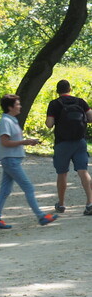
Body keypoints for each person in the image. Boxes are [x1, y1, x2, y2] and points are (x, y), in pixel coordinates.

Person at [0, 95, 58, 229]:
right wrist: (25, 142)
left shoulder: (12, 120)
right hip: (10, 160)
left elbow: (11, 141)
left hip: (12, 160)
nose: (20, 106)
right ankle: (41, 216)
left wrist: (27, 142)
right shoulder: (5, 122)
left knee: (5, 191)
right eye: (17, 104)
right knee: (28, 187)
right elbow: (5, 142)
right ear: (10, 107)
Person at [45, 79, 92, 215]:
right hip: (80, 142)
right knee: (83, 171)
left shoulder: (54, 104)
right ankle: (90, 203)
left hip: (62, 143)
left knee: (62, 173)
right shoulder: (80, 102)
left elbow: (49, 124)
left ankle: (61, 204)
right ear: (70, 89)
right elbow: (90, 117)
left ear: (57, 91)